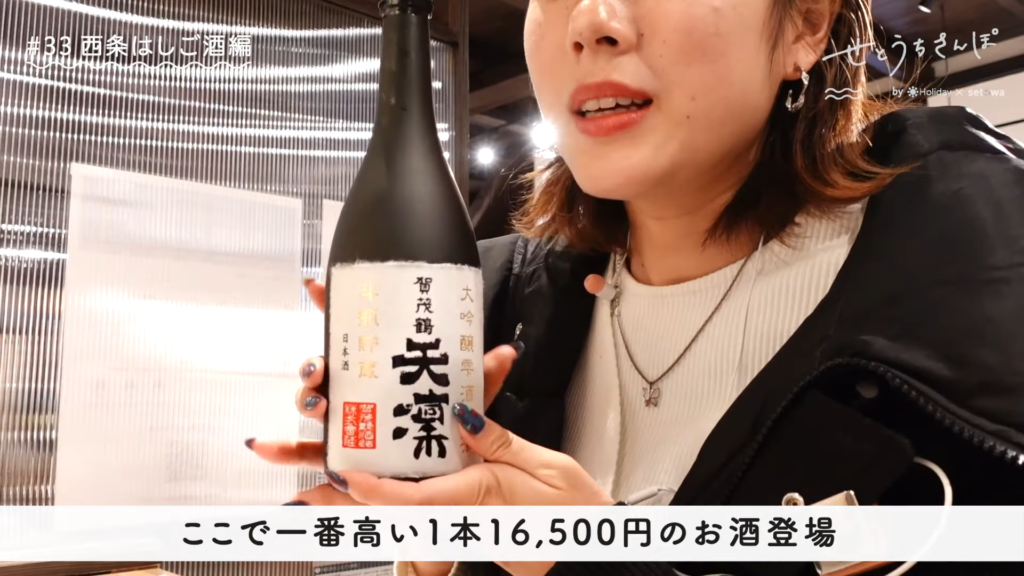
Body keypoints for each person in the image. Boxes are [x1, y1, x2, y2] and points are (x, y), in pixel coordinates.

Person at [248, 0, 1024, 574]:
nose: (592, 21)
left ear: (806, 24)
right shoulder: (489, 314)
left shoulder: (979, 287)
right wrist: (424, 541)